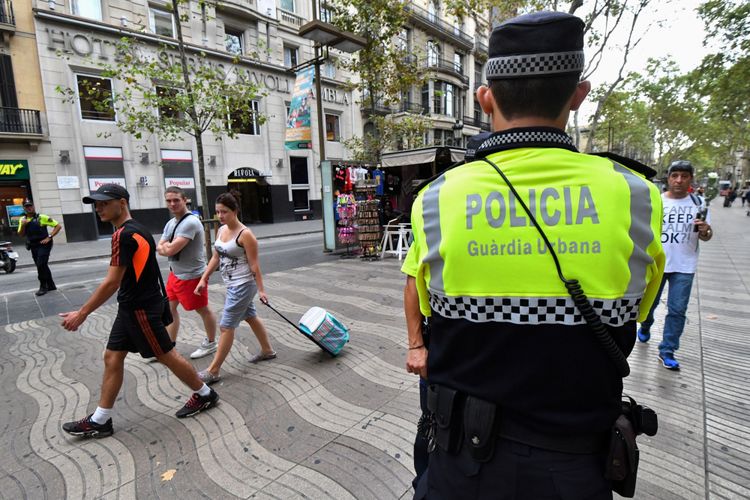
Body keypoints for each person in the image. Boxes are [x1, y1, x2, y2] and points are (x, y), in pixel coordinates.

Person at [402, 12, 665, 499]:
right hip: (576, 470)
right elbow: (636, 313)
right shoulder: (637, 198)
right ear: (578, 94)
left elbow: (421, 295)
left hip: (460, 467)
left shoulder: (435, 200)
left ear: (485, 97)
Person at [59, 184, 219, 438]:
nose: (98, 208)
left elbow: (112, 281)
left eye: (103, 203)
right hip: (133, 306)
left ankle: (205, 394)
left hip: (139, 308)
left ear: (121, 203)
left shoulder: (123, 235)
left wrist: (82, 313)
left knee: (166, 354)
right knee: (112, 357)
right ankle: (101, 419)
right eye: (95, 204)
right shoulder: (137, 228)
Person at [194, 191, 276, 384]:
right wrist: (203, 279)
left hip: (243, 285)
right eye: (218, 212)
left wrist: (261, 290)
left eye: (224, 212)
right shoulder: (222, 230)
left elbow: (254, 265)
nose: (220, 216)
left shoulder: (246, 235)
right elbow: (216, 256)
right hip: (231, 284)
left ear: (235, 211)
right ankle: (267, 350)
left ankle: (213, 370)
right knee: (250, 316)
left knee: (225, 327)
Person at [638, 160, 712, 370]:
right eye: (675, 175)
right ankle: (645, 325)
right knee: (649, 305)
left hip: (685, 265)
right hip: (657, 264)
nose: (679, 180)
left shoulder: (699, 203)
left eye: (684, 176)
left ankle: (667, 350)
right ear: (668, 178)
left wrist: (706, 230)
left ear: (690, 179)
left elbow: (705, 236)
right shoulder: (656, 201)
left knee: (677, 310)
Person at [156, 186, 219, 359]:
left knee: (202, 310)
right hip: (175, 274)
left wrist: (166, 247)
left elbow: (168, 250)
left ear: (185, 200)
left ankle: (211, 343)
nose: (172, 203)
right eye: (169, 200)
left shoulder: (190, 222)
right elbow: (159, 246)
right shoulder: (171, 223)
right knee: (170, 309)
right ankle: (169, 345)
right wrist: (165, 247)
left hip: (192, 276)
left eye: (176, 199)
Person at [17, 199, 62, 296]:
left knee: (41, 264)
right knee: (41, 265)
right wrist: (24, 225)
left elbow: (58, 226)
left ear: (33, 206)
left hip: (44, 244)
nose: (29, 208)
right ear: (24, 208)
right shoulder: (22, 220)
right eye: (27, 206)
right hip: (33, 245)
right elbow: (21, 234)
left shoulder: (42, 217)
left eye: (30, 206)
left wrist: (49, 237)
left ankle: (43, 286)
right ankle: (51, 285)